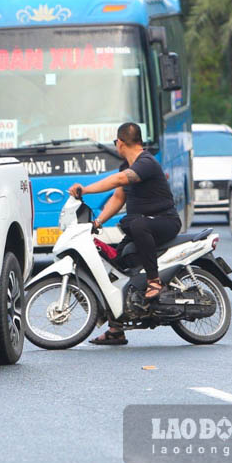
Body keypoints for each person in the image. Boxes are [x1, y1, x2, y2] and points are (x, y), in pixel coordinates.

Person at [68, 122, 181, 346]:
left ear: (120, 142)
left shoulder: (146, 162)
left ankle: (154, 281)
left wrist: (85, 189)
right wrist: (97, 223)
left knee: (137, 224)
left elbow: (119, 181)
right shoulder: (126, 166)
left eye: (116, 142)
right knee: (117, 265)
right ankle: (116, 329)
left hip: (164, 221)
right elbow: (119, 198)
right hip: (142, 225)